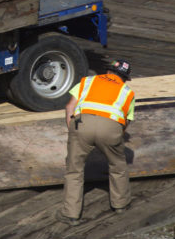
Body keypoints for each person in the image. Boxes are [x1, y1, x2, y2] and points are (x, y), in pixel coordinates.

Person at [56, 59, 135, 227]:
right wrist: (113, 136)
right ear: (124, 78)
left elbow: (70, 106)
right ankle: (121, 205)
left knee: (74, 171)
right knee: (117, 166)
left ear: (107, 72)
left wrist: (73, 128)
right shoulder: (127, 92)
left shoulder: (88, 81)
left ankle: (71, 215)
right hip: (111, 127)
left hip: (82, 123)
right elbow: (125, 123)